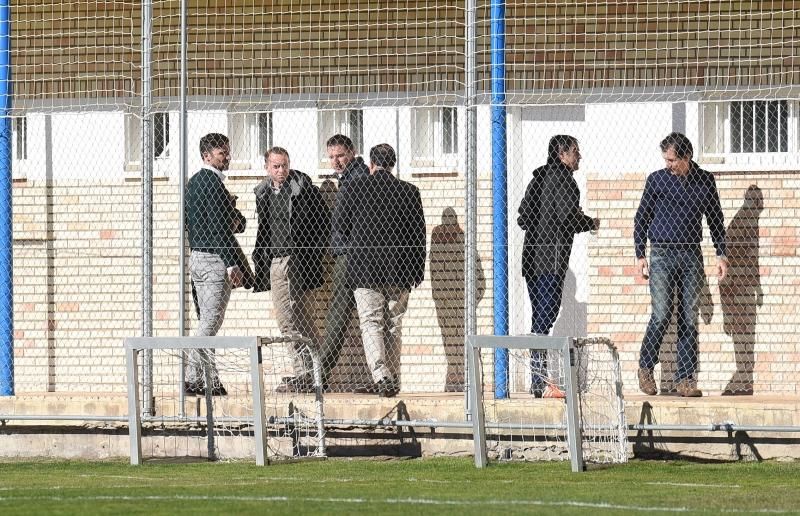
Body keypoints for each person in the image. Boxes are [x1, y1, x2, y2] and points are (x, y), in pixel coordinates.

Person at [635, 132, 728, 398]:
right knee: (662, 314)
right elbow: (641, 218)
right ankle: (645, 366)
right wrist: (640, 254)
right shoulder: (656, 180)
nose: (668, 164)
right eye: (665, 159)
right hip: (662, 254)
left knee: (688, 318)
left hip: (691, 255)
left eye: (672, 160)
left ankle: (685, 379)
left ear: (686, 157)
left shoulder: (705, 181)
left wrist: (721, 254)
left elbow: (716, 220)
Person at [332, 143, 426, 397]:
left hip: (364, 268)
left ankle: (380, 374)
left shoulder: (354, 187)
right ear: (393, 164)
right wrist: (418, 269)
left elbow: (340, 224)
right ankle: (392, 377)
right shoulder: (409, 191)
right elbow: (418, 234)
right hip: (400, 269)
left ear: (371, 164)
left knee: (371, 323)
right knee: (394, 323)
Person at [523, 135, 600, 398]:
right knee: (545, 318)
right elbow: (568, 217)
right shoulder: (565, 180)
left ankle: (538, 382)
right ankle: (542, 382)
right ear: (562, 154)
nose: (579, 156)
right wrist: (590, 222)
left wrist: (542, 224)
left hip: (531, 260)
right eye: (575, 152)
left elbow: (523, 216)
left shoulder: (538, 179)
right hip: (551, 262)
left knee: (539, 318)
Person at [252, 147, 329, 393]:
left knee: (295, 318)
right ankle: (312, 372)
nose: (281, 170)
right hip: (276, 261)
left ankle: (309, 373)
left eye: (284, 165)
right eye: (276, 166)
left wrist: (311, 253)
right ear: (267, 167)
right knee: (293, 319)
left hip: (298, 260)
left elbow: (324, 224)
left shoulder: (304, 189)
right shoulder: (263, 193)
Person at [184, 133, 253, 396]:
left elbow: (203, 223)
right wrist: (232, 264)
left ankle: (210, 380)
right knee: (210, 322)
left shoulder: (194, 183)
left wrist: (234, 219)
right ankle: (192, 377)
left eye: (227, 151)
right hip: (214, 258)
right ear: (207, 156)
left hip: (198, 256)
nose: (228, 157)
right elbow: (220, 228)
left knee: (207, 321)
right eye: (222, 153)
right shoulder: (212, 183)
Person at [320, 134, 370, 390]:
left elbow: (343, 222)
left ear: (351, 152)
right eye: (331, 157)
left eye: (339, 155)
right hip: (352, 252)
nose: (335, 162)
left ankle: (321, 372)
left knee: (340, 311)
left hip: (351, 254)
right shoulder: (351, 178)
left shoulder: (356, 180)